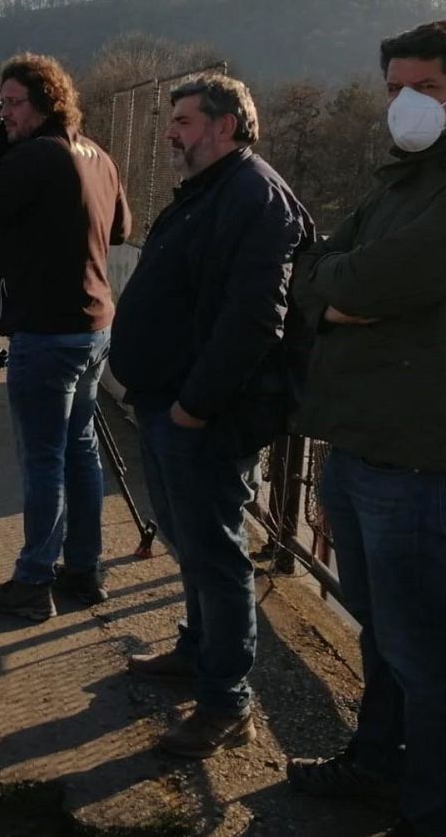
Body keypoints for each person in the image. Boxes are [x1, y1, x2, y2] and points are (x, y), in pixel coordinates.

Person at [286, 20, 446, 837]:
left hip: (417, 452)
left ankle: (433, 812)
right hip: (361, 434)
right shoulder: (408, 176)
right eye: (394, 87)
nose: (405, 103)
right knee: (379, 621)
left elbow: (366, 283)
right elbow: (320, 270)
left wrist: (339, 293)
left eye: (425, 89)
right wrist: (337, 292)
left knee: (419, 644)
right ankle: (376, 761)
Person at [108, 73, 314, 758]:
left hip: (202, 415)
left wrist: (195, 406)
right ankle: (197, 652)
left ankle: (227, 701)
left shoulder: (256, 198)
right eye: (171, 119)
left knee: (216, 553)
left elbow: (254, 320)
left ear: (227, 126)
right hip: (167, 404)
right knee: (187, 540)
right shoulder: (209, 191)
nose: (171, 131)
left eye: (186, 120)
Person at [0, 53, 131, 622]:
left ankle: (32, 582)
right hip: (93, 328)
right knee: (78, 449)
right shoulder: (94, 153)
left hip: (47, 333)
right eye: (2, 103)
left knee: (43, 459)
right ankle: (84, 568)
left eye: (14, 103)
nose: (5, 115)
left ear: (47, 102)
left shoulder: (38, 156)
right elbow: (121, 227)